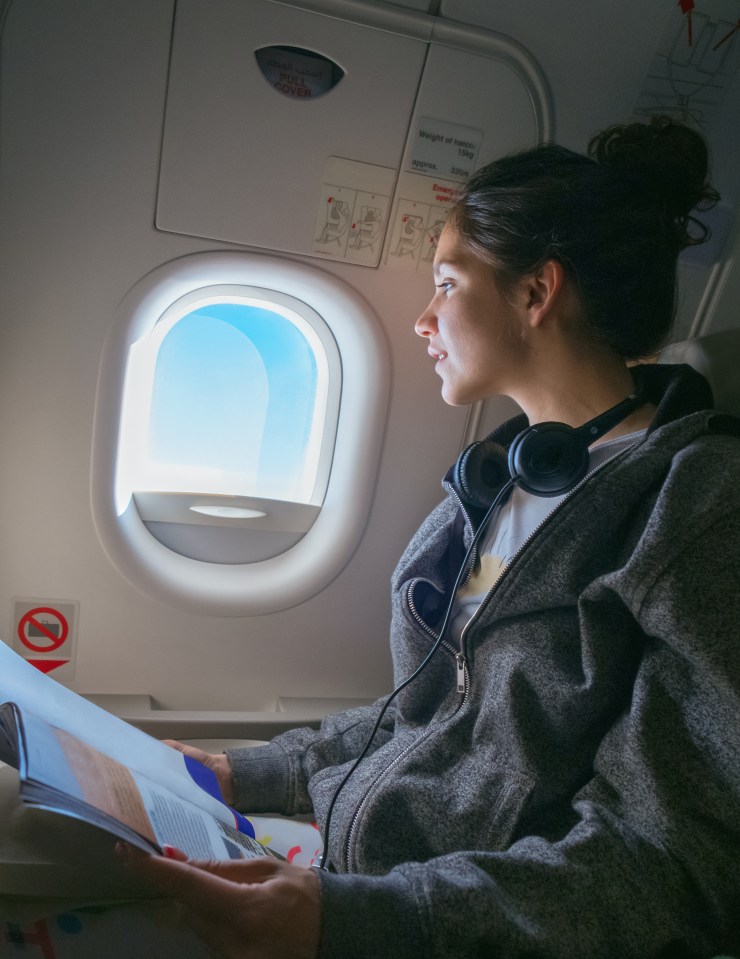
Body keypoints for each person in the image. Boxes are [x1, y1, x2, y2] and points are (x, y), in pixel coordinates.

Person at [119, 116, 740, 958]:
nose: (422, 320)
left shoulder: (696, 508)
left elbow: (666, 865)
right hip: (378, 887)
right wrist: (243, 773)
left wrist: (363, 920)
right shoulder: (496, 481)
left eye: (448, 283)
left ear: (535, 292)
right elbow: (423, 709)